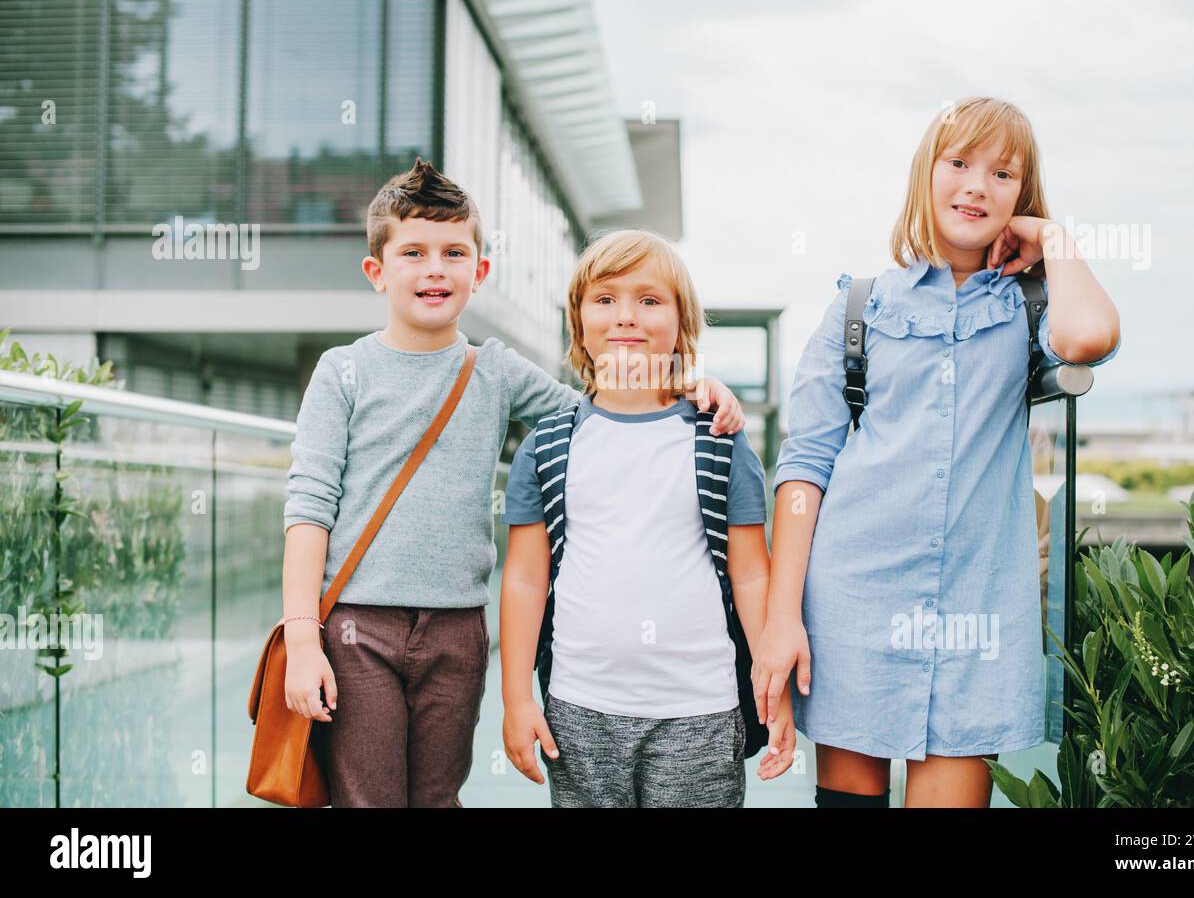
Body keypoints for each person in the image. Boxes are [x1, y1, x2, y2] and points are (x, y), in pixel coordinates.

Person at [279, 160, 746, 807]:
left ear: (480, 271)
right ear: (378, 271)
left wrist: (685, 383)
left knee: (440, 798)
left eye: (454, 252)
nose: (435, 268)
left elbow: (598, 407)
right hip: (358, 628)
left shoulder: (493, 371)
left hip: (460, 633)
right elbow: (308, 508)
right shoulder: (343, 372)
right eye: (413, 252)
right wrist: (303, 638)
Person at [754, 97, 1121, 807]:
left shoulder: (1030, 307)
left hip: (976, 619)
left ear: (1022, 196)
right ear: (926, 175)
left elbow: (1088, 339)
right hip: (853, 601)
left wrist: (1056, 240)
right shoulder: (859, 306)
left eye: (1004, 173)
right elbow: (805, 466)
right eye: (959, 163)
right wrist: (782, 617)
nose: (977, 185)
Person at [499, 229, 796, 807]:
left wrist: (774, 694)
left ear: (681, 323)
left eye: (650, 300)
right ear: (579, 322)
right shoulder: (548, 446)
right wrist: (516, 698)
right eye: (605, 300)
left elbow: (752, 576)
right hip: (579, 708)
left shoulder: (720, 443)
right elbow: (526, 579)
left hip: (701, 709)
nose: (626, 317)